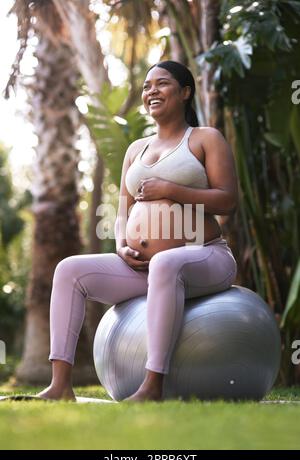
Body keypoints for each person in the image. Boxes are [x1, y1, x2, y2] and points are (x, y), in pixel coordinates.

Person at [38, 60, 238, 402]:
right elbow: (123, 213)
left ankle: (152, 386)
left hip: (206, 256)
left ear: (185, 92)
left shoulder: (205, 139)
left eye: (161, 84)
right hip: (142, 269)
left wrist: (170, 189)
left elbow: (227, 201)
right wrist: (121, 247)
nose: (151, 91)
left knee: (166, 263)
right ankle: (59, 385)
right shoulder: (136, 150)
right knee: (69, 269)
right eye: (146, 86)